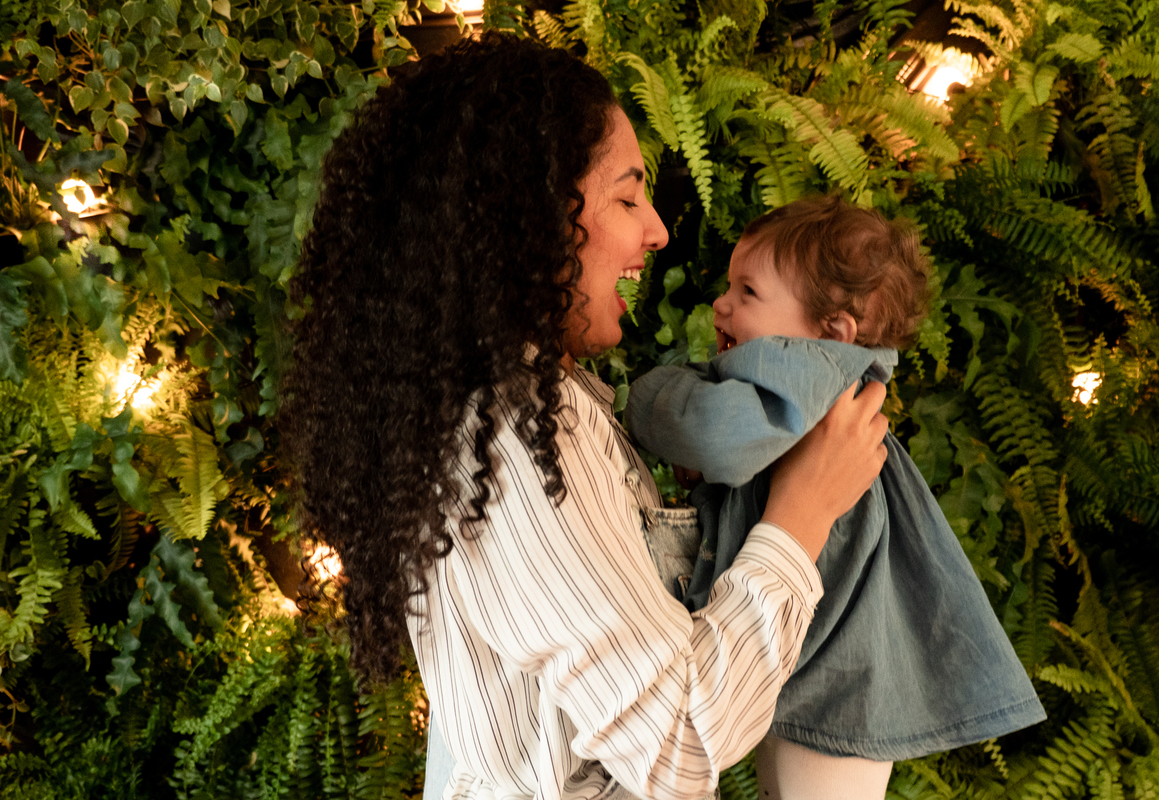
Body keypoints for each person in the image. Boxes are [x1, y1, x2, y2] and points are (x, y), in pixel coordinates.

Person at [282, 33, 892, 800]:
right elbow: (676, 743)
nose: (658, 230)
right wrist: (801, 518)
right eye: (626, 197)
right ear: (525, 219)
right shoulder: (517, 437)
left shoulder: (548, 408)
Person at [626, 195, 1046, 800]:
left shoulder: (809, 373)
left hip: (838, 683)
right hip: (833, 672)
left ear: (831, 331)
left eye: (748, 293)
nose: (721, 304)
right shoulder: (808, 390)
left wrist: (650, 394)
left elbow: (712, 436)